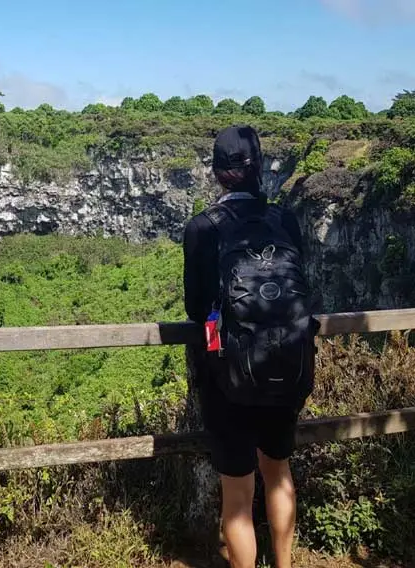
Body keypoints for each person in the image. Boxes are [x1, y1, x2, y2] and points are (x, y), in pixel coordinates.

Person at [183, 125, 313, 568]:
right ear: (260, 169)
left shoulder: (203, 227)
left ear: (218, 172)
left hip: (229, 377)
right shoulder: (286, 220)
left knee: (238, 496)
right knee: (278, 475)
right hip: (287, 364)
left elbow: (197, 306)